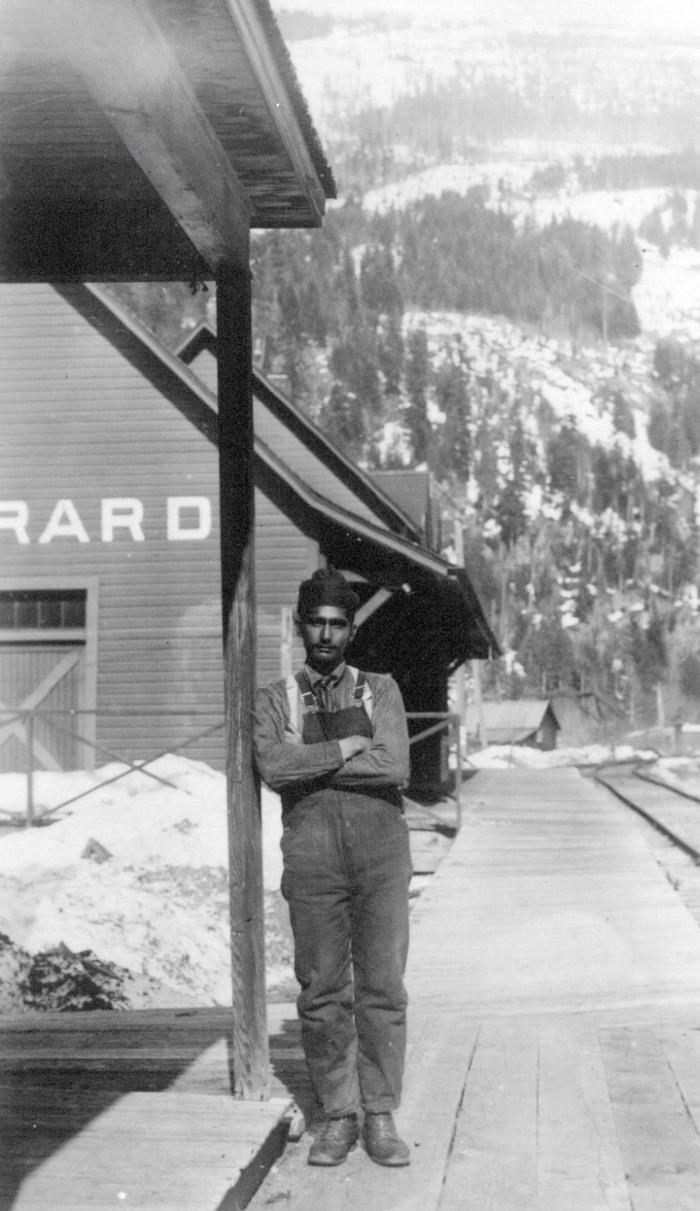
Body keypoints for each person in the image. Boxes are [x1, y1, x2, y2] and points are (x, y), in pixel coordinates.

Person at [253, 567, 413, 1168]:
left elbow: (393, 765)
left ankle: (379, 1114)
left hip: (380, 854)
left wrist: (310, 760)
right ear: (300, 628)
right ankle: (339, 1116)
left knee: (383, 987)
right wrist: (348, 748)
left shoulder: (381, 689)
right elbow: (272, 766)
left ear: (350, 630)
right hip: (314, 855)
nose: (325, 634)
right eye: (315, 623)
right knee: (322, 991)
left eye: (337, 624)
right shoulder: (276, 697)